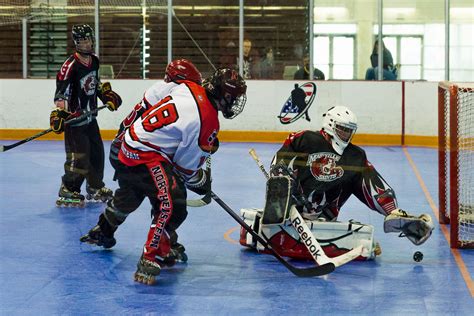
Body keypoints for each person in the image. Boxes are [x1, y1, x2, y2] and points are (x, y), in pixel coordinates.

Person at [80, 68, 247, 285]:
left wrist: (199, 145)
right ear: (223, 95)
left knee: (132, 193)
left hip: (129, 145)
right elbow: (185, 168)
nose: (235, 103)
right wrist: (201, 180)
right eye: (233, 98)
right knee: (173, 203)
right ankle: (151, 256)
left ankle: (104, 230)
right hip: (145, 154)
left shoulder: (189, 87)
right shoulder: (208, 120)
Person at [241, 106, 434, 260]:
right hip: (294, 207)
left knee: (361, 169)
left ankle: (393, 213)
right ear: (330, 125)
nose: (346, 134)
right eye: (343, 129)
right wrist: (280, 173)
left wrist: (390, 208)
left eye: (350, 131)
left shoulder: (354, 155)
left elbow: (370, 181)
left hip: (325, 214)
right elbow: (282, 158)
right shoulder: (305, 139)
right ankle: (282, 211)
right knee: (281, 184)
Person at [50, 24, 122, 207]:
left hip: (91, 118)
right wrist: (60, 113)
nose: (87, 44)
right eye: (82, 41)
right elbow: (61, 94)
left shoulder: (94, 60)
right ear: (76, 43)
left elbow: (95, 84)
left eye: (88, 40)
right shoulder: (70, 66)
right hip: (75, 121)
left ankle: (95, 186)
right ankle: (68, 188)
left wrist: (105, 95)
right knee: (79, 156)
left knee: (97, 154)